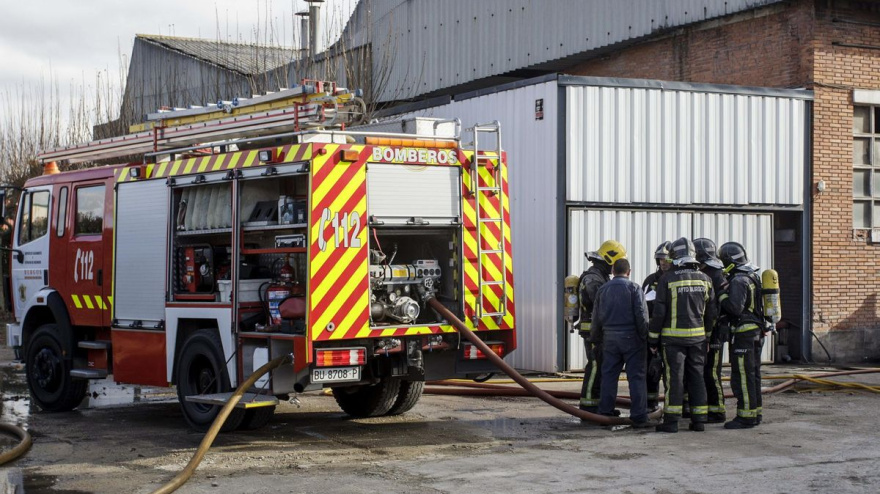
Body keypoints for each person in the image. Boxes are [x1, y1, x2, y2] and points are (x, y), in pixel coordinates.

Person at [649, 237, 717, 433]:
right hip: (698, 339)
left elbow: (659, 313)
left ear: (674, 257)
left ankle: (671, 422)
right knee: (697, 377)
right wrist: (708, 337)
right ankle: (699, 421)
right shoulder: (706, 279)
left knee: (674, 379)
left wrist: (653, 339)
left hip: (673, 341)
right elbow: (711, 312)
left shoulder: (667, 279)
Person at [592, 258, 654, 426]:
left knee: (609, 376)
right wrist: (645, 337)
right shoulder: (634, 288)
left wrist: (596, 339)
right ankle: (639, 416)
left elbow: (596, 317)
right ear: (629, 271)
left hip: (610, 339)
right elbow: (641, 315)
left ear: (613, 271)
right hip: (632, 338)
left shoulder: (603, 289)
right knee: (636, 377)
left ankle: (605, 413)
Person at [718, 242, 765, 429]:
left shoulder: (738, 280)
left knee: (742, 376)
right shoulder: (753, 276)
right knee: (754, 375)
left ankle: (745, 416)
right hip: (756, 332)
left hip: (744, 334)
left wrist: (721, 295)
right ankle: (756, 412)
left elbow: (735, 308)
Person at [577, 239, 627, 414]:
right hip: (593, 331)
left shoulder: (601, 277)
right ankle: (588, 405)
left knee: (601, 367)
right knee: (595, 366)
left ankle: (600, 405)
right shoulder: (592, 279)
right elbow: (602, 303)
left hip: (600, 330)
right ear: (608, 260)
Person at [693, 238, 729, 424]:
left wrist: (710, 333)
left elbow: (715, 307)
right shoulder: (709, 272)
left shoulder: (715, 274)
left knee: (712, 372)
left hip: (714, 332)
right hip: (707, 331)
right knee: (704, 371)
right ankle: (708, 408)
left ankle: (717, 411)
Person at [641, 241, 672, 411]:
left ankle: (675, 405)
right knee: (651, 371)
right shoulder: (650, 280)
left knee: (672, 373)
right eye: (660, 259)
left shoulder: (676, 279)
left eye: (666, 259)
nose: (663, 262)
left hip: (671, 333)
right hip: (652, 333)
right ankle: (650, 403)